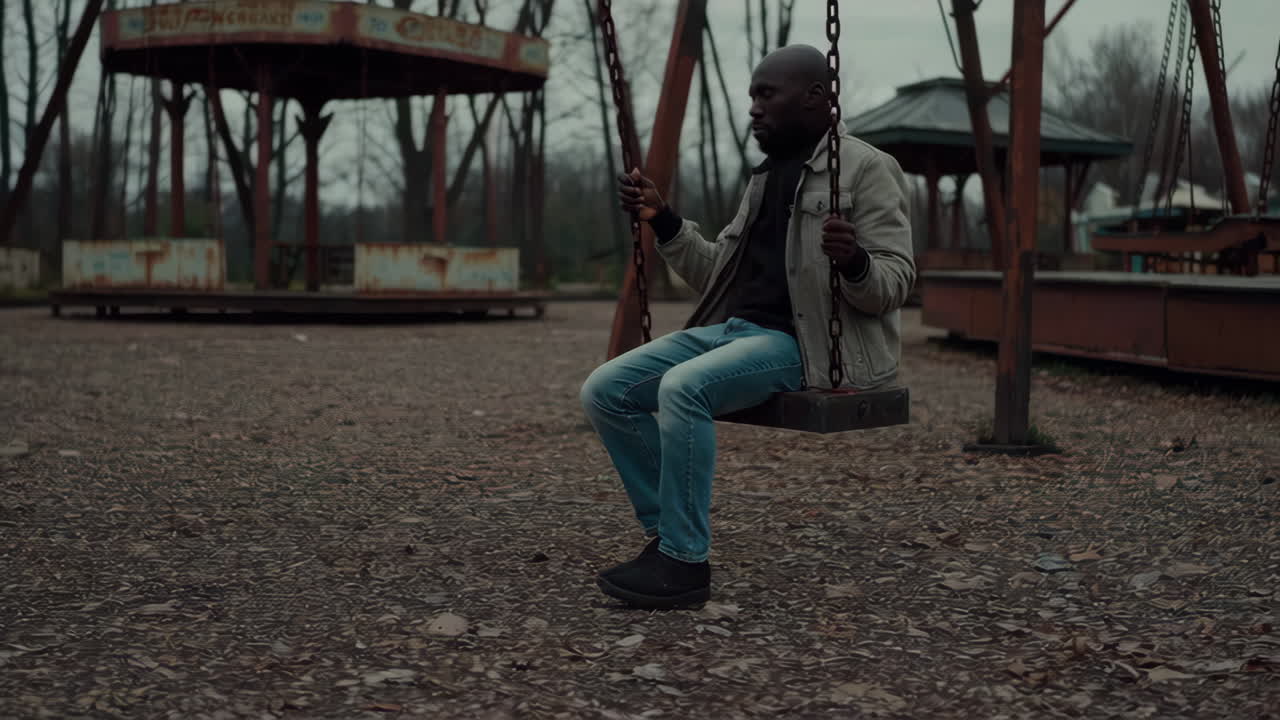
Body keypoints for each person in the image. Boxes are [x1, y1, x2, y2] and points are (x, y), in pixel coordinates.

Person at [579, 44, 915, 610]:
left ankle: (684, 565)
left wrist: (855, 260)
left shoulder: (865, 169)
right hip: (734, 328)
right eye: (752, 96)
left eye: (767, 94)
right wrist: (663, 220)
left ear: (816, 99)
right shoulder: (764, 178)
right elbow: (717, 273)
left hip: (805, 346)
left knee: (683, 389)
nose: (754, 108)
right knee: (605, 390)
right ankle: (669, 536)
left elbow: (896, 280)